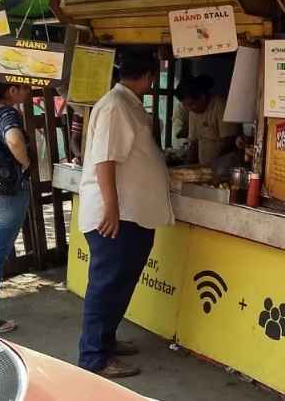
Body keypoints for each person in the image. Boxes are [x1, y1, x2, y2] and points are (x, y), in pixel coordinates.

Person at [77, 49, 174, 379]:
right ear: (148, 76)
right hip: (117, 216)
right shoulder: (117, 106)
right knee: (105, 287)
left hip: (132, 214)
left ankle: (106, 341)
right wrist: (112, 208)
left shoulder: (127, 104)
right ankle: (94, 357)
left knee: (119, 285)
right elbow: (105, 160)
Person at [0, 83, 31, 333]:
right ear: (11, 91)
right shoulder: (6, 113)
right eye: (24, 88)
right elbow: (14, 139)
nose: (28, 92)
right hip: (7, 193)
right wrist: (26, 162)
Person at [176, 75, 240, 166]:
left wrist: (214, 164)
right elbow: (194, 143)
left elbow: (229, 141)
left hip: (224, 168)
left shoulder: (221, 106)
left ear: (202, 97)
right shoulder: (193, 112)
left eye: (191, 104)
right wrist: (187, 166)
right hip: (205, 167)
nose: (189, 109)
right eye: (185, 105)